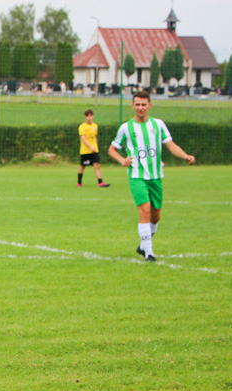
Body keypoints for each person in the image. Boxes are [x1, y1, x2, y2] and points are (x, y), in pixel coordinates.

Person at [108, 91, 195, 262]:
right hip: (136, 175)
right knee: (145, 210)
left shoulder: (158, 125)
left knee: (156, 215)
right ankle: (149, 252)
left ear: (150, 105)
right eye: (137, 104)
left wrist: (185, 156)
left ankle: (143, 244)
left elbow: (171, 145)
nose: (140, 108)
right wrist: (121, 160)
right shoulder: (126, 127)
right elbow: (112, 149)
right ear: (133, 105)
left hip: (155, 176)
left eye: (143, 104)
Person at [77, 109, 110, 188]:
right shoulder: (82, 127)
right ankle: (79, 183)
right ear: (85, 117)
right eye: (87, 116)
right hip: (85, 151)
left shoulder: (95, 126)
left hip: (94, 150)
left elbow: (94, 137)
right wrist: (90, 147)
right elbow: (83, 139)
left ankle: (100, 182)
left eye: (90, 116)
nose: (89, 118)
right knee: (83, 166)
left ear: (93, 116)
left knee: (97, 165)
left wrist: (95, 146)